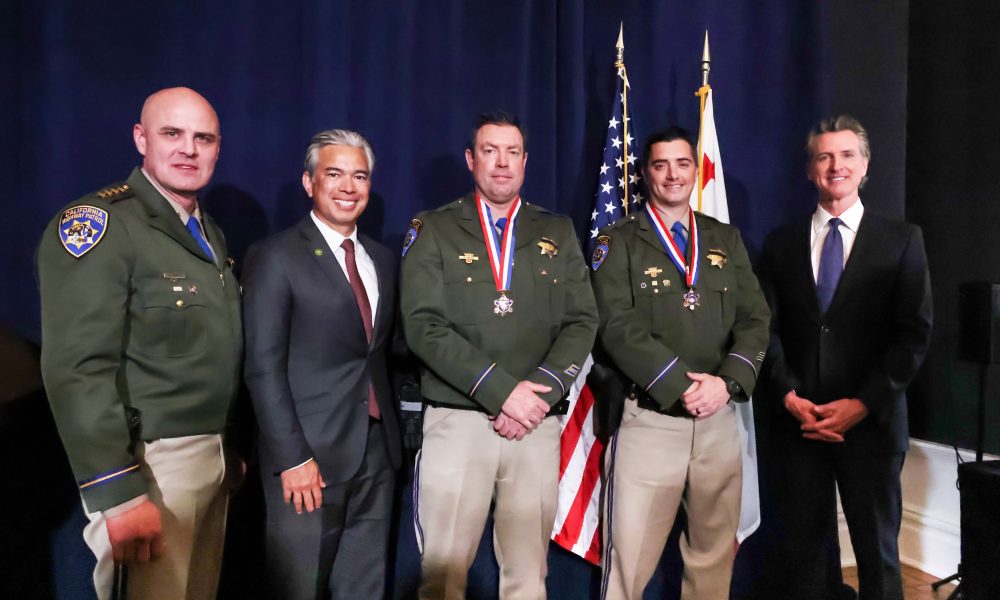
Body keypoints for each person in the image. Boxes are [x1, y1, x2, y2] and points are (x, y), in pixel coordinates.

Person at [37, 87, 242, 599]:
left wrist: (228, 447)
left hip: (209, 458)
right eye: (172, 134)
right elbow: (77, 367)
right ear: (140, 138)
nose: (188, 149)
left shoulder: (206, 231)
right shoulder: (102, 225)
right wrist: (119, 492)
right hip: (150, 465)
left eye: (203, 138)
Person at [400, 111, 598, 599]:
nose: (502, 163)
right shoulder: (434, 228)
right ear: (471, 160)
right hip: (460, 420)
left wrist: (541, 392)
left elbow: (583, 321)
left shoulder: (558, 230)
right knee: (442, 575)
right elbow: (422, 327)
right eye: (490, 151)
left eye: (512, 152)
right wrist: (501, 392)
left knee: (528, 575)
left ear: (526, 162)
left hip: (535, 422)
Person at [591, 126, 771, 599]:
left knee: (712, 561)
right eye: (660, 165)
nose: (673, 175)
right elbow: (614, 325)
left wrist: (726, 384)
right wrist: (680, 384)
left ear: (696, 170)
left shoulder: (725, 239)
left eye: (682, 164)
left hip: (718, 422)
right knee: (627, 563)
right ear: (645, 173)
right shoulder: (617, 241)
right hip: (652, 421)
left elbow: (755, 319)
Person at [758, 115, 932, 600]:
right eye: (824, 157)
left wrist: (862, 404)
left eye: (847, 155)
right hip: (799, 426)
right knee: (804, 561)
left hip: (871, 427)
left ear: (865, 165)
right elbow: (764, 331)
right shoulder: (780, 242)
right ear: (811, 170)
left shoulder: (902, 240)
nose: (837, 166)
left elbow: (913, 336)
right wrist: (789, 396)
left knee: (877, 558)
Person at [241, 129, 403, 599]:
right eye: (334, 174)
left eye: (360, 176)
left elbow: (383, 352)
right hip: (306, 458)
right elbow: (262, 368)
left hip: (376, 453)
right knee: (300, 588)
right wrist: (293, 457)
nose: (348, 187)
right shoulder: (274, 256)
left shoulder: (384, 260)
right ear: (309, 182)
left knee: (364, 587)